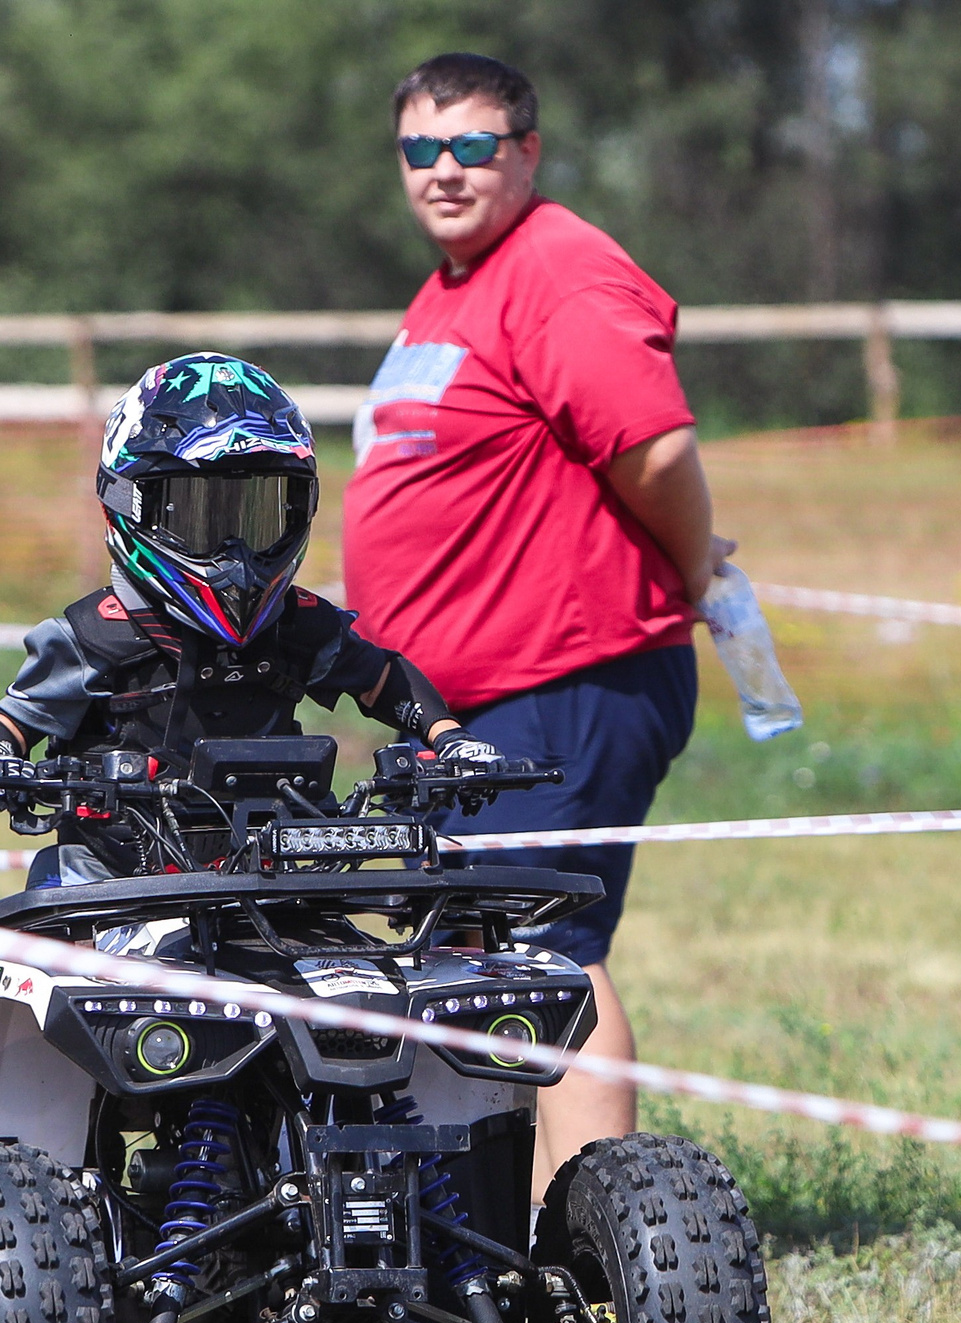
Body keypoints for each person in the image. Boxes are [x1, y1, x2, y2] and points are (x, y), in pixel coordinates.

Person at [342, 51, 737, 1199]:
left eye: (472, 145)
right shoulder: (458, 284)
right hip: (467, 699)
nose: (445, 171)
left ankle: (606, 1233)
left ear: (527, 151)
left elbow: (654, 449)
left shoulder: (557, 268)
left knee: (542, 954)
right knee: (476, 955)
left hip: (564, 679)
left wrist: (690, 577)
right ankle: (496, 1215)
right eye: (422, 149)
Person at [0, 352, 492, 886]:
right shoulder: (96, 635)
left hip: (274, 885)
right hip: (111, 893)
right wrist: (1, 764)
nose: (235, 551)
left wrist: (451, 740)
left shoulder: (299, 624)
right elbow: (7, 722)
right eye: (200, 515)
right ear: (127, 503)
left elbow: (381, 678)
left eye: (257, 514)